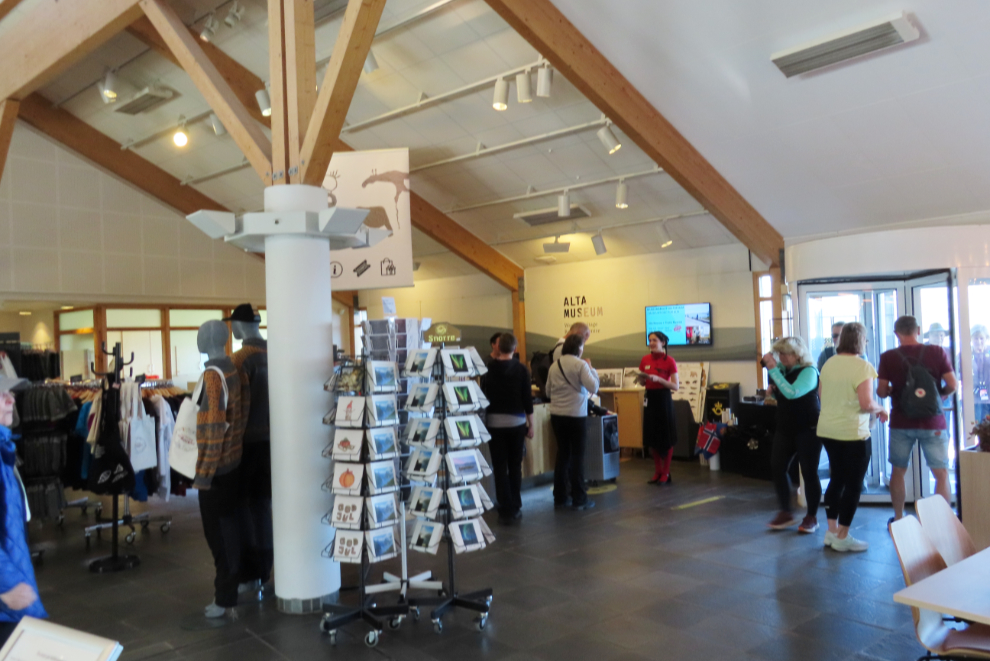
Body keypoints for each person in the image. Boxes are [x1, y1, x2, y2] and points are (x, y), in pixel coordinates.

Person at [878, 315, 957, 524]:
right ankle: (942, 521)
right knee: (940, 473)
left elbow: (882, 391)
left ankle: (898, 517)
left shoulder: (888, 356)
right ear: (918, 330)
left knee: (898, 471)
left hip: (901, 422)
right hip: (933, 421)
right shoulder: (936, 352)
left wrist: (894, 390)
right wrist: (938, 395)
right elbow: (952, 384)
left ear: (896, 334)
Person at [817, 322, 888, 552]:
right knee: (854, 484)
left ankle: (831, 530)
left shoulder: (828, 364)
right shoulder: (863, 366)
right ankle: (843, 535)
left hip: (827, 430)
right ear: (861, 341)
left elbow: (821, 395)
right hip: (853, 433)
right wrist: (882, 408)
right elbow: (866, 404)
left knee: (836, 479)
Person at [0, 377, 46, 645]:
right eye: (2, 394)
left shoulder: (5, 450)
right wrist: (6, 590)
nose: (11, 399)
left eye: (9, 392)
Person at [762, 337, 823, 533]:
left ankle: (812, 516)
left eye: (786, 353)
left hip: (808, 428)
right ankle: (786, 512)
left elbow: (792, 392)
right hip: (785, 427)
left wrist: (773, 370)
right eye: (779, 353)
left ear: (798, 355)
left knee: (808, 471)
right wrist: (771, 391)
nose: (781, 357)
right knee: (777, 467)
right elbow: (780, 393)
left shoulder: (810, 372)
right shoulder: (781, 371)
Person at [481, 333, 534, 523]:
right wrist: (531, 424)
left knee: (499, 466)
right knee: (515, 465)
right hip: (516, 423)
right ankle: (515, 504)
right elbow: (527, 400)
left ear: (497, 347)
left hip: (494, 424)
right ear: (515, 349)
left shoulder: (487, 369)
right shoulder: (521, 370)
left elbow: (483, 396)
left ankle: (504, 506)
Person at [547, 334, 599, 510]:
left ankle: (560, 496)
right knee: (578, 456)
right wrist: (592, 369)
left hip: (556, 415)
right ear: (579, 348)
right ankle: (579, 498)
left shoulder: (554, 366)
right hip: (576, 415)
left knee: (562, 454)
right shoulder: (581, 365)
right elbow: (594, 387)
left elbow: (548, 391)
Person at [640, 331, 679, 485]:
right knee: (652, 436)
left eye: (655, 340)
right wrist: (642, 380)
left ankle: (666, 472)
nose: (652, 343)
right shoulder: (645, 359)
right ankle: (657, 471)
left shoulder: (670, 361)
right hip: (650, 398)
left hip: (663, 398)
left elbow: (675, 386)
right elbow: (643, 382)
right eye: (650, 340)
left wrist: (660, 380)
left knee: (666, 436)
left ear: (663, 342)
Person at [972, 325, 990, 423]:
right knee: (976, 426)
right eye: (976, 338)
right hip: (975, 398)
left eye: (981, 338)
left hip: (989, 396)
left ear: (986, 339)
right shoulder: (966, 353)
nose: (979, 341)